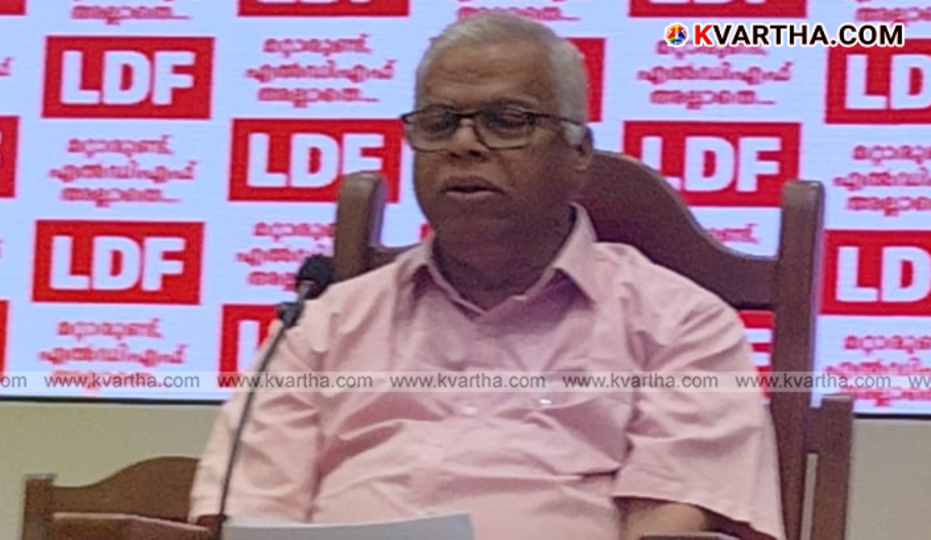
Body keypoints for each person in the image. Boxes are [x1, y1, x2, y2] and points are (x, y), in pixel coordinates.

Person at [190, 13, 785, 540]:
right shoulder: (322, 327)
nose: (464, 145)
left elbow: (667, 525)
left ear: (579, 153)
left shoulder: (682, 324)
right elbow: (245, 517)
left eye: (506, 121)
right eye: (439, 122)